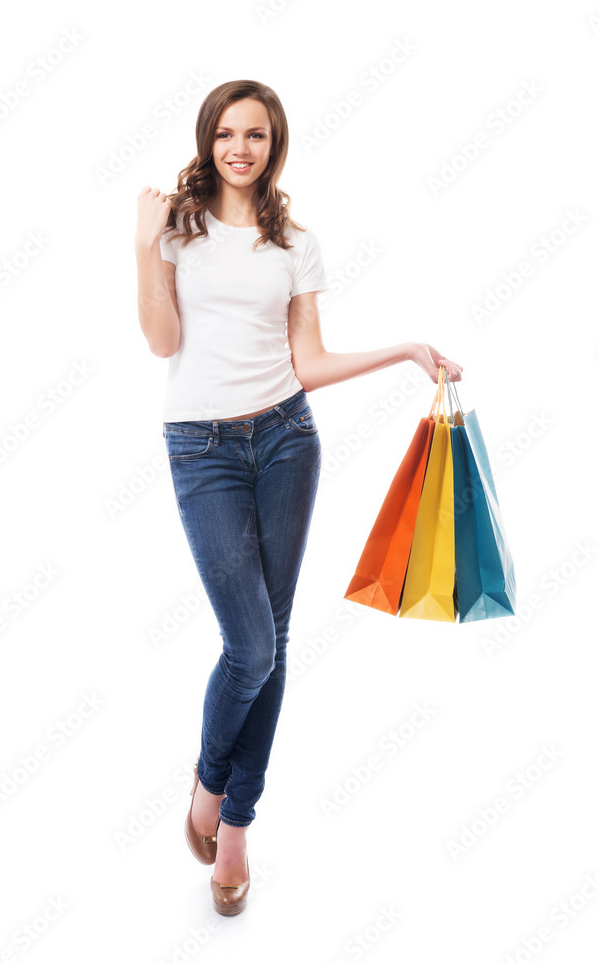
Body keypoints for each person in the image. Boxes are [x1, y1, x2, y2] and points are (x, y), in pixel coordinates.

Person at [134, 79, 463, 915]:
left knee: (272, 640)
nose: (240, 147)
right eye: (226, 133)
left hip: (286, 440)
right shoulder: (173, 227)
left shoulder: (295, 243)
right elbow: (162, 342)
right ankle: (209, 786)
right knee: (249, 646)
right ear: (207, 139)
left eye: (257, 135)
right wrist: (143, 249)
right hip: (200, 448)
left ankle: (233, 827)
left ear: (274, 146)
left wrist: (402, 353)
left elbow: (307, 362)